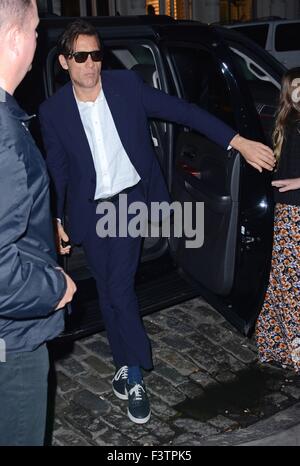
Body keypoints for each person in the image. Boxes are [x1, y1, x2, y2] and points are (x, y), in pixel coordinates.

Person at [39, 19, 275, 425]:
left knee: (117, 288)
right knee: (111, 294)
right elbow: (57, 168)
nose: (91, 64)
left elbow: (183, 110)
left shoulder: (126, 88)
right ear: (65, 62)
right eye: (81, 57)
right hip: (90, 212)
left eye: (96, 54)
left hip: (129, 203)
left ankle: (134, 372)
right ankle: (121, 361)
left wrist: (236, 141)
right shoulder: (53, 111)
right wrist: (58, 217)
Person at [0, 0, 76, 446]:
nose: (37, 40)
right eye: (34, 31)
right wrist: (55, 288)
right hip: (12, 342)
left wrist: (43, 226)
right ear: (13, 40)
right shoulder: (4, 137)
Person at [256, 67, 300, 373]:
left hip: (297, 211)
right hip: (284, 211)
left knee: (292, 284)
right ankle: (279, 347)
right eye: (297, 85)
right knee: (282, 281)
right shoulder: (284, 122)